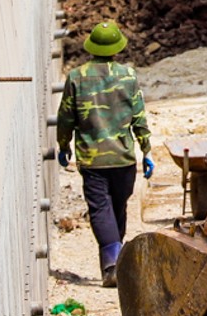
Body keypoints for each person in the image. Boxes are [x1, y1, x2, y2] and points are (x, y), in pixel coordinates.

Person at [55, 21, 156, 288]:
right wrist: (146, 149)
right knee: (118, 206)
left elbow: (65, 117)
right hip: (123, 157)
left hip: (92, 158)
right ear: (117, 48)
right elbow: (139, 117)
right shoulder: (128, 75)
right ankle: (114, 263)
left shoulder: (77, 77)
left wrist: (63, 145)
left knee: (102, 208)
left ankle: (113, 261)